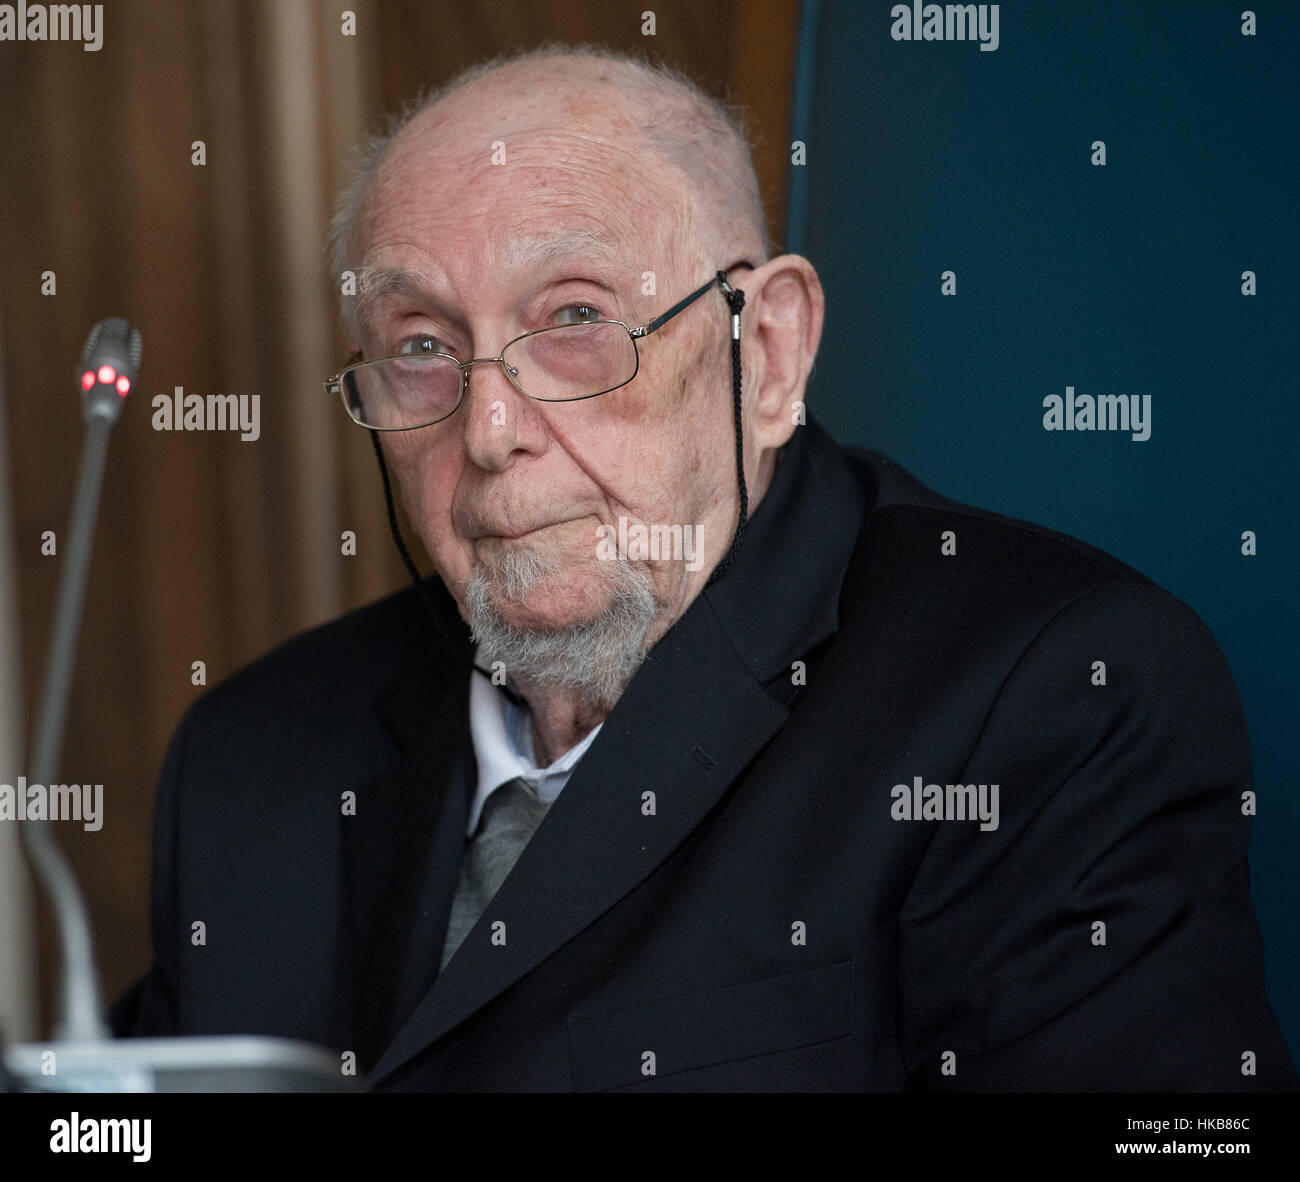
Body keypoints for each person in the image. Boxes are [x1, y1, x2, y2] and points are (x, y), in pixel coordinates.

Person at [109, 43, 1297, 1092]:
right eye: (421, 347)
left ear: (767, 354)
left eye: (574, 320)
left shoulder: (1044, 696)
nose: (487, 428)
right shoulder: (252, 757)